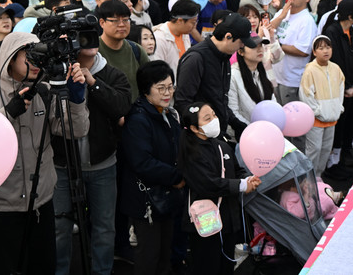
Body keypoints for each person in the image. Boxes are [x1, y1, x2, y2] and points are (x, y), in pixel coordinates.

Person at [0, 32, 89, 275]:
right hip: (0, 207)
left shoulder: (44, 92)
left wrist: (76, 99)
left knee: (42, 268)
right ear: (10, 58)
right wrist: (8, 114)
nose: (37, 63)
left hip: (40, 205)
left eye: (41, 57)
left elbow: (76, 130)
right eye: (30, 55)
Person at [53, 31, 132, 275]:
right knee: (60, 227)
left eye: (92, 35)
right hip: (62, 164)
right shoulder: (55, 73)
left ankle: (102, 271)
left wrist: (93, 83)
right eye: (82, 36)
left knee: (104, 227)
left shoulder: (112, 74)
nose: (89, 41)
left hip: (103, 164)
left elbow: (121, 107)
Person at [178, 102, 260, 275]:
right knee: (208, 264)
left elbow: (237, 170)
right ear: (194, 128)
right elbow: (208, 184)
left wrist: (247, 179)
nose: (214, 120)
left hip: (228, 217)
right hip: (205, 219)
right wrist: (241, 185)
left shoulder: (222, 144)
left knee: (226, 264)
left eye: (214, 115)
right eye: (207, 118)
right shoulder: (191, 152)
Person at [120, 61, 184, 275]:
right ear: (146, 90)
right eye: (161, 88)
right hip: (145, 200)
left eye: (170, 87)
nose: (168, 93)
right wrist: (176, 177)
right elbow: (142, 162)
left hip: (166, 196)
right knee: (149, 256)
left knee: (165, 254)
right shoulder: (138, 119)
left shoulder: (168, 113)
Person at [175, 13, 253, 135]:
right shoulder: (196, 58)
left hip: (217, 131)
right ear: (228, 36)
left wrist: (234, 122)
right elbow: (182, 102)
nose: (242, 46)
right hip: (200, 135)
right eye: (241, 42)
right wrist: (204, 130)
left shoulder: (224, 57)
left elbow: (220, 99)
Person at [321, 0, 353, 166]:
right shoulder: (332, 32)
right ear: (350, 16)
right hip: (337, 89)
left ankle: (345, 154)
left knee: (350, 121)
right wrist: (345, 86)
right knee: (338, 124)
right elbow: (335, 61)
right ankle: (334, 161)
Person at [299, 36, 345, 176]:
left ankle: (318, 176)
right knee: (314, 150)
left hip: (332, 118)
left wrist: (338, 107)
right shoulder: (310, 70)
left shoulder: (336, 68)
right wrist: (317, 111)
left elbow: (341, 89)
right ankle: (308, 178)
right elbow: (306, 94)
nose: (325, 51)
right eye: (321, 48)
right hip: (316, 120)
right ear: (314, 52)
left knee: (325, 149)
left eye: (328, 47)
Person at [271, 0, 317, 108]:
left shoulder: (306, 21)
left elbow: (303, 51)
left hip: (292, 80)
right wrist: (281, 16)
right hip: (274, 76)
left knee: (290, 116)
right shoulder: (281, 13)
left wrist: (278, 46)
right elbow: (266, 32)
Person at [98, 0, 151, 101]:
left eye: (126, 20)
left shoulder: (136, 50)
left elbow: (149, 82)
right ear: (102, 23)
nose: (122, 24)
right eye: (115, 20)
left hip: (134, 109)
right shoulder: (93, 51)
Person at [228, 36, 275, 129]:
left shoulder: (263, 72)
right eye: (254, 47)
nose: (260, 49)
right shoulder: (233, 76)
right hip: (244, 131)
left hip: (266, 129)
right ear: (241, 52)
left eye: (261, 46)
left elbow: (273, 102)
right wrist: (255, 128)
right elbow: (233, 111)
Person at [152, 0, 201, 76]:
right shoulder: (159, 39)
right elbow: (157, 71)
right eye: (193, 22)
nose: (195, 26)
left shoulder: (185, 34)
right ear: (180, 21)